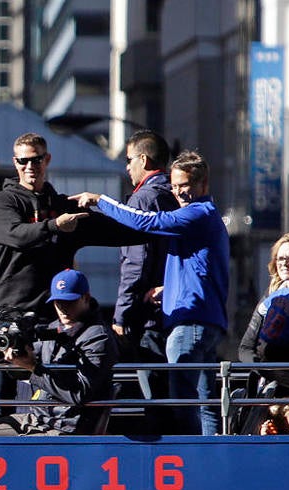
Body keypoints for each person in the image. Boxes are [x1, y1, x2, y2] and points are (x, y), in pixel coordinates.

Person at [75, 150, 230, 435]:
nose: (178, 191)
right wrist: (168, 289)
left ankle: (190, 458)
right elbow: (200, 268)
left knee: (181, 400)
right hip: (206, 319)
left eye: (185, 185)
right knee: (207, 402)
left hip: (190, 322)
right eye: (174, 185)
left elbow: (147, 221)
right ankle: (210, 459)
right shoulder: (207, 216)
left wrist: (101, 201)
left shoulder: (196, 214)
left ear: (203, 185)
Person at [0, 133, 138, 413]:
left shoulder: (63, 208)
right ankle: (3, 452)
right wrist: (55, 226)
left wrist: (169, 220)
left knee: (53, 398)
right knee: (1, 401)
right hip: (5, 314)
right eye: (24, 161)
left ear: (47, 160)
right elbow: (16, 235)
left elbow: (121, 231)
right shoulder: (1, 203)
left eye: (37, 159)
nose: (30, 166)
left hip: (51, 317)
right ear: (15, 163)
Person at [0, 269, 119, 436]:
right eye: (58, 302)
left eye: (69, 301)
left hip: (66, 425)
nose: (63, 309)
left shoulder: (98, 337)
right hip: (39, 418)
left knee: (1, 444)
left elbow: (79, 393)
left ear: (85, 297)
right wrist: (12, 351)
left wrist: (33, 367)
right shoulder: (53, 328)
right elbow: (22, 371)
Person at [115, 131, 178, 428]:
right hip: (179, 310)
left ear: (144, 159)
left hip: (150, 315)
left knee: (154, 399)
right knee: (180, 396)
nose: (127, 167)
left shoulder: (143, 198)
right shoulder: (177, 195)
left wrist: (122, 312)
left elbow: (135, 261)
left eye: (129, 160)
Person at [238, 232, 289, 365]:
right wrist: (265, 369)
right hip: (268, 371)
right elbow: (245, 349)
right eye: (280, 259)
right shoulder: (271, 296)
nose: (284, 264)